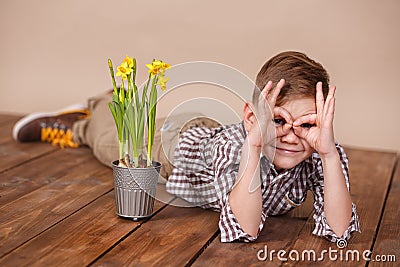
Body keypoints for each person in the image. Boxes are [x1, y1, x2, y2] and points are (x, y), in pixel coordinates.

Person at [13, 51, 360, 243]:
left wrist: (329, 155)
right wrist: (254, 147)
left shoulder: (322, 151)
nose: (291, 136)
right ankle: (93, 113)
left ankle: (105, 111)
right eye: (279, 120)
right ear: (253, 116)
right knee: (114, 143)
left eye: (308, 124)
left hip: (215, 132)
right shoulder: (235, 148)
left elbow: (340, 230)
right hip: (180, 148)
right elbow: (247, 228)